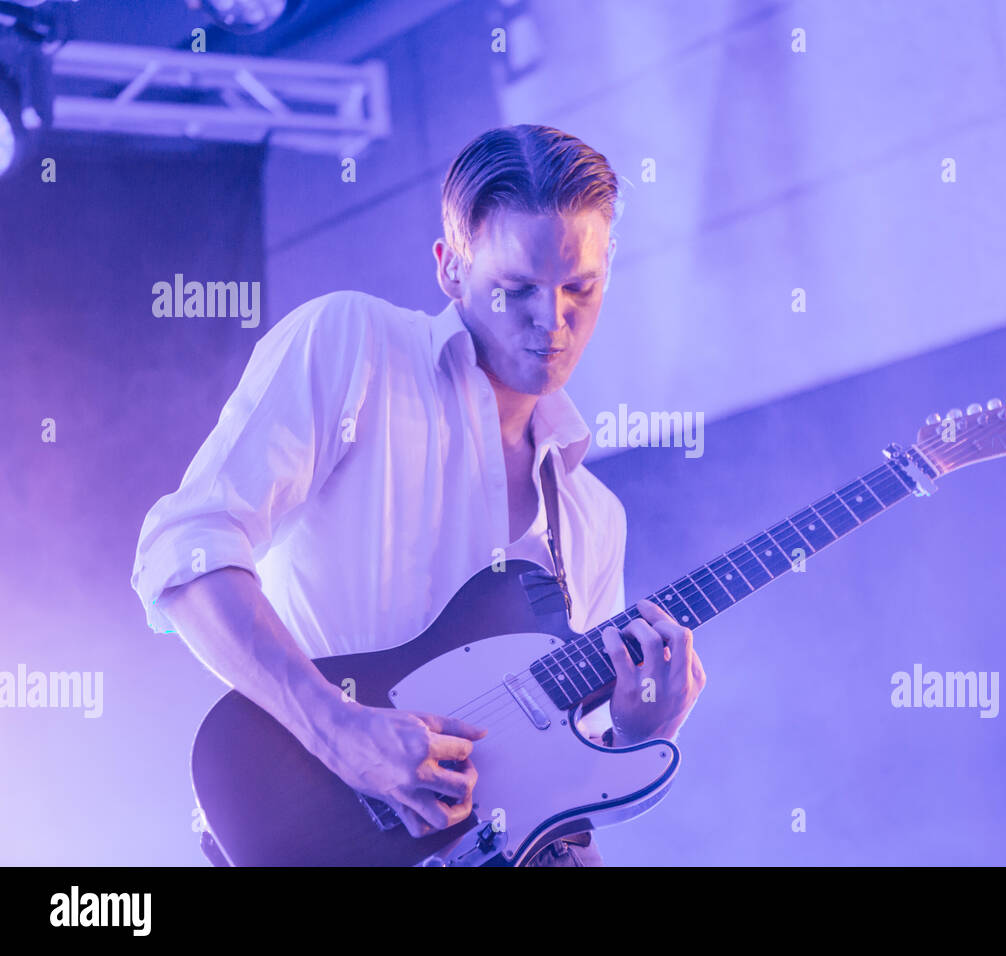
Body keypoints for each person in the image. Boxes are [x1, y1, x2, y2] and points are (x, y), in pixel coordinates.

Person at [130, 124, 706, 867]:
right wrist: (337, 729)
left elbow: (556, 791)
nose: (551, 320)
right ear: (450, 271)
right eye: (517, 289)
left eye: (579, 289)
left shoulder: (593, 515)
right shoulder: (352, 344)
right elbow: (185, 554)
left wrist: (635, 735)